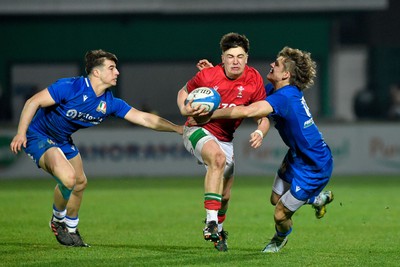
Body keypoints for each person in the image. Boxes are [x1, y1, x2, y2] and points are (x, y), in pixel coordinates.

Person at [10, 49, 183, 247]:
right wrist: (21, 133)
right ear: (96, 72)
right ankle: (58, 221)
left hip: (62, 140)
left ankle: (72, 229)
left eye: (116, 68)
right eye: (111, 68)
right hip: (39, 136)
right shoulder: (70, 87)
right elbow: (33, 102)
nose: (117, 72)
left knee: (80, 183)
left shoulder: (109, 102)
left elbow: (145, 118)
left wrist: (177, 128)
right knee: (68, 178)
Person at [204, 46, 334, 253]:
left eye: (277, 64)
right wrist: (215, 78)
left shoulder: (285, 97)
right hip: (296, 156)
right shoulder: (277, 90)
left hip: (315, 165)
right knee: (275, 199)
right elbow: (244, 95)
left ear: (286, 74)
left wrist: (209, 114)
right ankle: (317, 198)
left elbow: (247, 110)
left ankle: (279, 239)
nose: (272, 65)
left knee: (280, 214)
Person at [177, 32, 270, 252]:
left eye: (240, 56)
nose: (235, 61)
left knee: (225, 196)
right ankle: (209, 222)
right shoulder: (209, 75)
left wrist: (260, 131)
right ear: (223, 57)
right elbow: (184, 91)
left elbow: (262, 116)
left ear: (246, 58)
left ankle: (219, 230)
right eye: (230, 56)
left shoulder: (254, 79)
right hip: (196, 129)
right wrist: (183, 108)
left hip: (225, 138)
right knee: (217, 159)